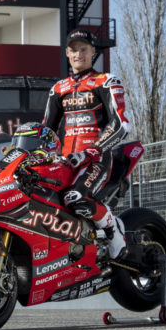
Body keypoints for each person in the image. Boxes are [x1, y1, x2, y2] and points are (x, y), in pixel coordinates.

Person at [42, 29, 132, 259]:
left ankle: (115, 235)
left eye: (83, 49)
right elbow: (46, 130)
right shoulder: (58, 89)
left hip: (98, 158)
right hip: (65, 161)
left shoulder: (106, 81)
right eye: (73, 49)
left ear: (93, 52)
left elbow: (121, 123)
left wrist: (92, 151)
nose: (78, 54)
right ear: (66, 53)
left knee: (76, 197)